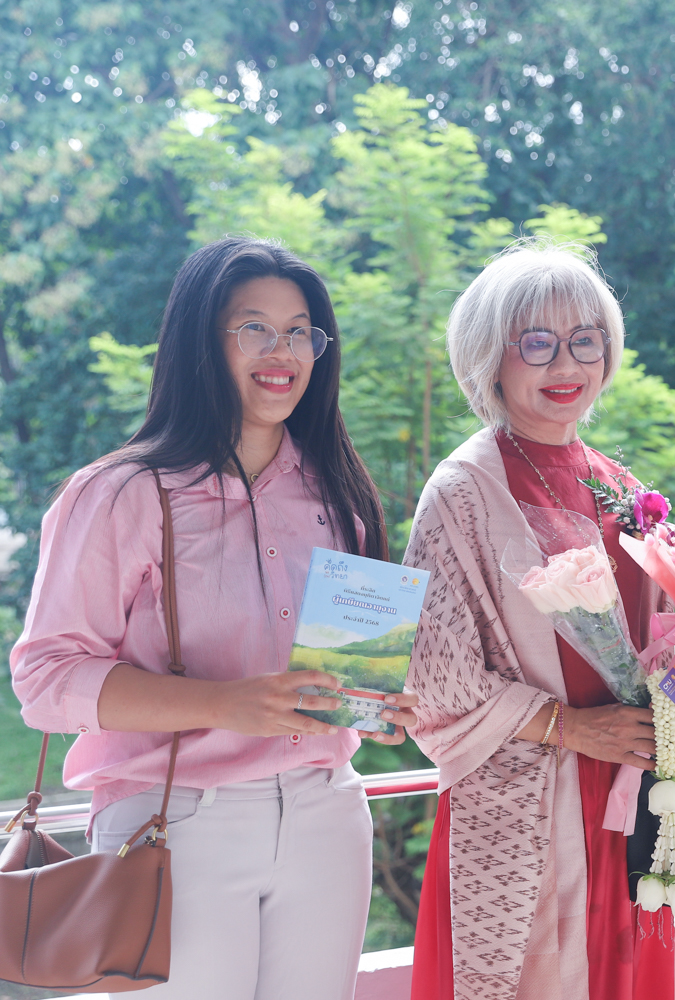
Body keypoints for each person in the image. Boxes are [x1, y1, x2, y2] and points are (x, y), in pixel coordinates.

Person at [10, 237, 415, 1000]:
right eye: (254, 328)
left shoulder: (340, 493)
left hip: (327, 810)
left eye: (300, 332)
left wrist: (375, 701)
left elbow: (342, 673)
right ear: (201, 340)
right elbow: (46, 680)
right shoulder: (121, 494)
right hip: (172, 824)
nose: (282, 351)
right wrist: (226, 705)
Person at [404, 241, 675, 1000]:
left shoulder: (621, 486)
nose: (566, 364)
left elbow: (672, 639)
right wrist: (573, 729)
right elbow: (434, 678)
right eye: (536, 342)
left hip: (631, 799)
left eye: (584, 340)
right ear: (490, 360)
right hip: (523, 801)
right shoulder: (462, 492)